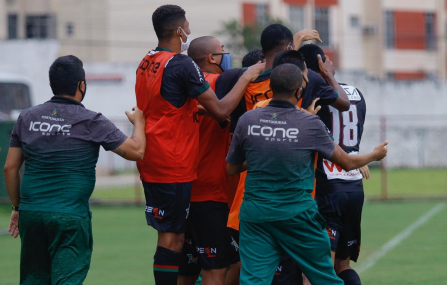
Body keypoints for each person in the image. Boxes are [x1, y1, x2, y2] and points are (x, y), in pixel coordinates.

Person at [226, 63, 388, 285]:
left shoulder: (248, 120)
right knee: (325, 279)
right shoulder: (309, 124)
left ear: (271, 87)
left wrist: (261, 155)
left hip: (256, 216)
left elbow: (232, 168)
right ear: (299, 91)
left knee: (253, 281)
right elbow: (348, 163)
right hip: (298, 217)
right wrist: (375, 155)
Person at [136, 5, 264, 285]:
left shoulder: (147, 61)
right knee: (217, 265)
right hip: (190, 175)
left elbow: (173, 104)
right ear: (179, 30)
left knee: (178, 250)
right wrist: (247, 75)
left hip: (159, 165)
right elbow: (220, 110)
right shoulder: (199, 73)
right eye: (187, 25)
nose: (189, 30)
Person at [4, 55, 146, 285]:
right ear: (82, 85)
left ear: (52, 85)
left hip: (31, 214)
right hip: (69, 217)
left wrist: (17, 207)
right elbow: (136, 151)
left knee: (33, 279)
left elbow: (10, 167)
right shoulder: (92, 120)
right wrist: (139, 122)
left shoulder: (26, 117)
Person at [299, 44, 369, 285]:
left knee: (318, 269)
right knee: (343, 265)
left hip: (326, 186)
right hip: (354, 185)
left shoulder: (312, 90)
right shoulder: (356, 93)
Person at [177, 36, 238, 285]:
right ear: (211, 58)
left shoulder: (180, 86)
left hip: (180, 191)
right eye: (223, 50)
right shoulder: (221, 84)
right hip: (211, 194)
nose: (227, 54)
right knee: (216, 269)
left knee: (186, 271)